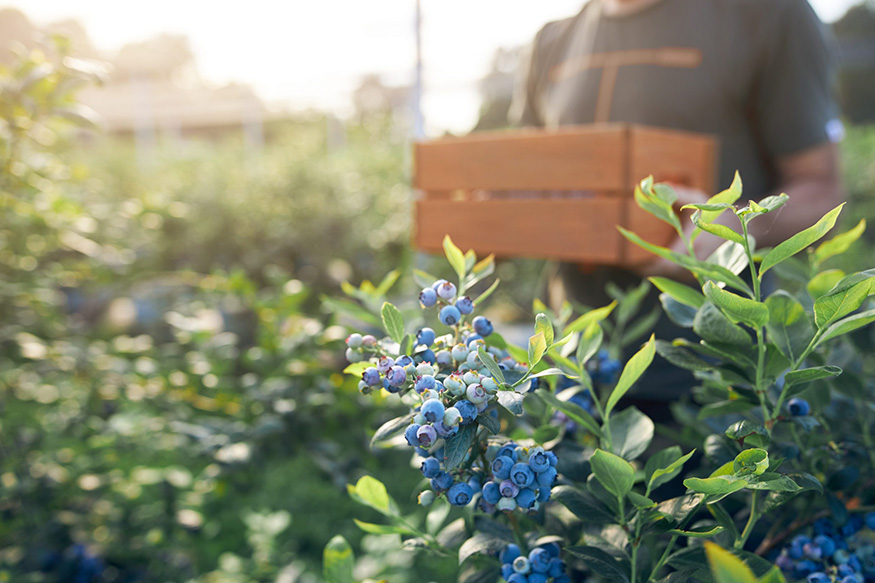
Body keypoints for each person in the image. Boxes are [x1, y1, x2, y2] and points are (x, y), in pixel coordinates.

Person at [510, 0, 844, 401]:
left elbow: (821, 191)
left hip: (715, 383)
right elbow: (525, 187)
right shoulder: (551, 41)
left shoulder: (768, 14)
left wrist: (734, 230)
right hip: (567, 376)